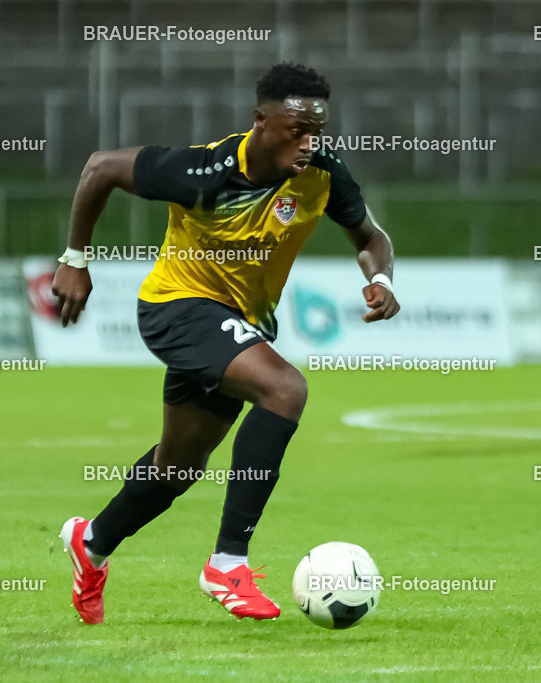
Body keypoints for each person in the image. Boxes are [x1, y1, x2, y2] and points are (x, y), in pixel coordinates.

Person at [51, 62, 400, 623]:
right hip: (178, 308)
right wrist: (75, 259)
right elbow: (100, 168)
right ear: (260, 120)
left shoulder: (324, 174)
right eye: (296, 130)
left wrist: (380, 279)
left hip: (239, 324)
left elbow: (370, 236)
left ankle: (90, 543)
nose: (309, 143)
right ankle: (226, 562)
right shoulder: (202, 169)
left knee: (178, 466)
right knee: (284, 389)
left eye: (318, 131)